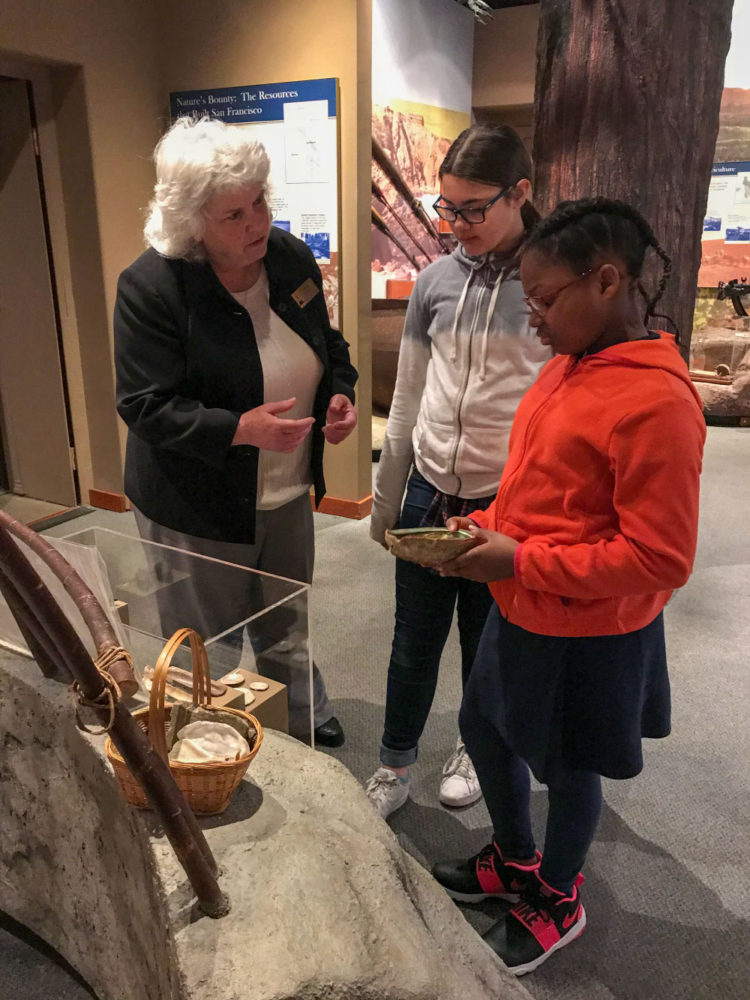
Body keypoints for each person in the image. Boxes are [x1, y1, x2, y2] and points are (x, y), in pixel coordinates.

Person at [431, 197, 706, 975]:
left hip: (586, 628)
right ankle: (516, 859)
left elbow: (660, 559)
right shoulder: (566, 367)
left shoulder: (656, 402)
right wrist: (486, 523)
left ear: (608, 280)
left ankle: (559, 894)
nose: (535, 319)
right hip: (522, 605)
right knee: (483, 726)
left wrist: (515, 560)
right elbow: (541, 490)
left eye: (546, 300)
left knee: (569, 765)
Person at [114, 116, 357, 746]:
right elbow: (143, 405)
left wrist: (339, 394)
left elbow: (327, 344)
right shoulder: (152, 286)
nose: (257, 223)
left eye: (261, 202)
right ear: (193, 222)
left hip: (286, 487)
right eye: (235, 215)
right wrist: (237, 431)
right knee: (205, 640)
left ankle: (300, 713)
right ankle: (205, 745)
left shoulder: (286, 255)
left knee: (287, 615)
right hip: (197, 502)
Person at [365, 125, 551, 818]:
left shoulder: (548, 284)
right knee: (411, 641)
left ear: (520, 193)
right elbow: (410, 394)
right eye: (448, 208)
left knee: (486, 643)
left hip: (503, 500)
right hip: (426, 491)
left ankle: (474, 746)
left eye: (474, 208)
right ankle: (393, 763)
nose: (457, 224)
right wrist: (387, 503)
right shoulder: (437, 282)